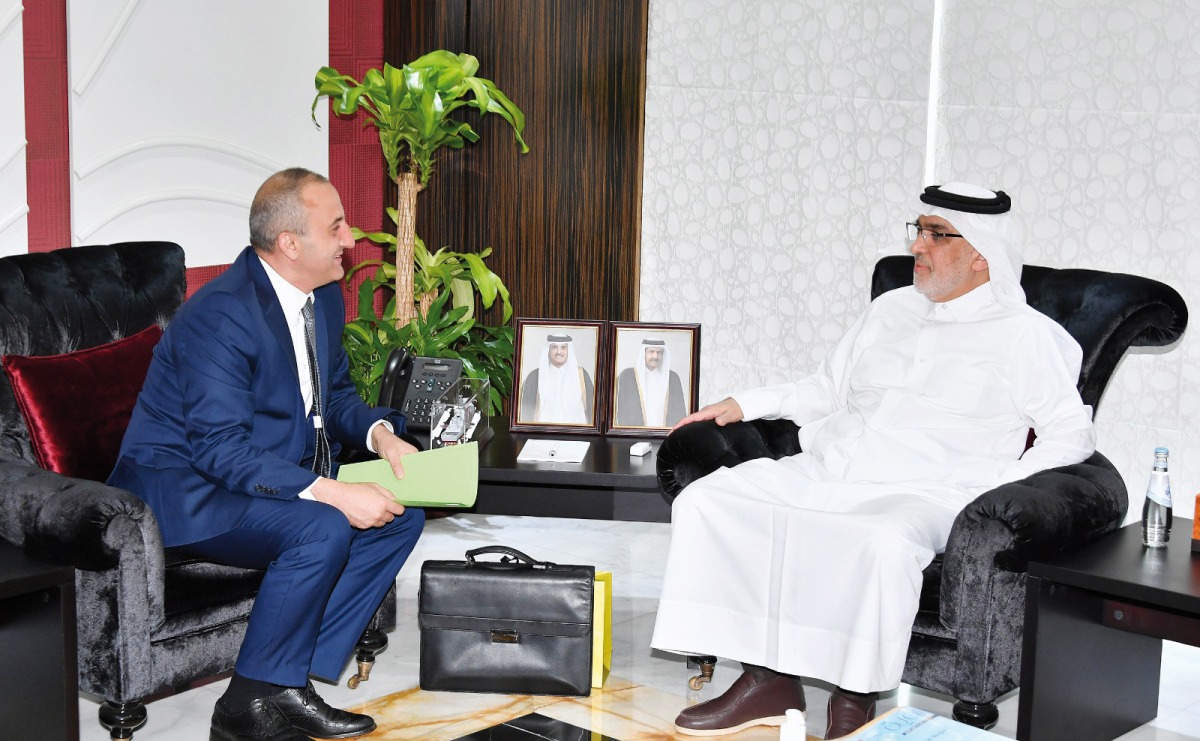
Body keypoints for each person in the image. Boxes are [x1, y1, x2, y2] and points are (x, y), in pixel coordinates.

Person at [650, 183, 1096, 738]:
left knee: (882, 541)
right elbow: (825, 390)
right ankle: (767, 681)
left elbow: (1071, 432)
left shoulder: (1024, 335)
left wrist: (1001, 485)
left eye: (936, 235)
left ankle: (853, 700)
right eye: (919, 231)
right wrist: (744, 403)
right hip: (832, 469)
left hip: (926, 491)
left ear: (981, 254)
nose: (917, 246)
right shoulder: (890, 309)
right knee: (709, 502)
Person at [108, 168, 425, 741]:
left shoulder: (321, 297)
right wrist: (333, 492)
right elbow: (219, 449)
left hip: (254, 470)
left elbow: (335, 396)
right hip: (187, 487)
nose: (350, 238)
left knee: (399, 515)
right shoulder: (221, 314)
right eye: (336, 227)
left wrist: (380, 434)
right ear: (290, 244)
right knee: (323, 526)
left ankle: (285, 679)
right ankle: (244, 706)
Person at [518, 333, 595, 424]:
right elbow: (526, 412)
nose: (559, 352)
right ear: (548, 350)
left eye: (563, 347)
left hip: (577, 431)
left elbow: (592, 409)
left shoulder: (582, 376)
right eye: (554, 347)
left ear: (569, 350)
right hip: (543, 431)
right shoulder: (534, 376)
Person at [614, 337, 688, 427]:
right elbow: (621, 409)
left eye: (659, 352)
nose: (655, 356)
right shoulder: (627, 376)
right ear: (644, 353)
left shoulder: (673, 378)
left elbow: (679, 410)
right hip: (636, 433)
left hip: (665, 433)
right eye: (651, 351)